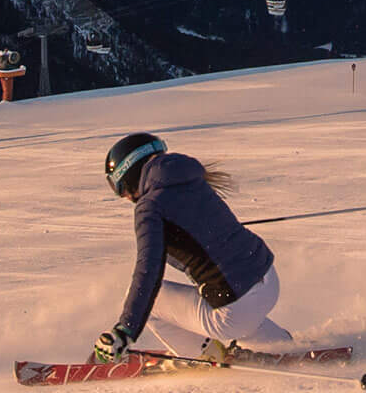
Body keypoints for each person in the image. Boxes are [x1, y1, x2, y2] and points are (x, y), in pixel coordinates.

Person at [94, 131, 295, 363]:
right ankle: (279, 345)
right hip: (268, 282)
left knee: (152, 301)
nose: (126, 196)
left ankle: (206, 355)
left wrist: (126, 330)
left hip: (235, 307)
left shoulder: (149, 207)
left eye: (120, 188)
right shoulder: (189, 179)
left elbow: (148, 271)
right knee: (236, 306)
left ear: (128, 174)